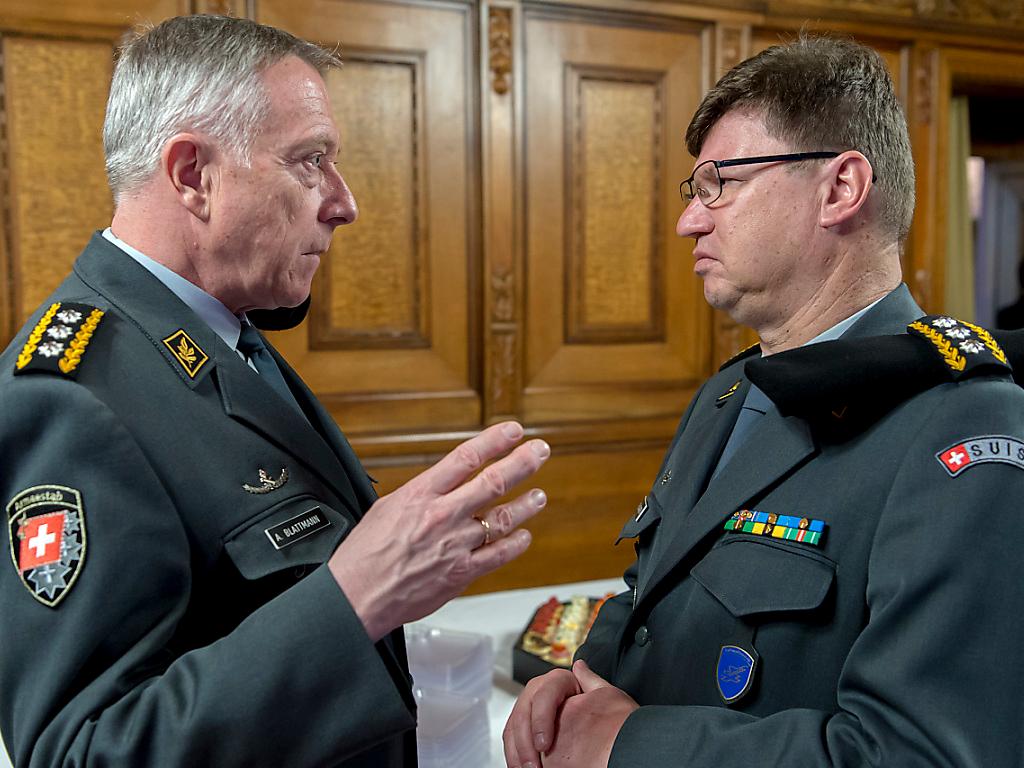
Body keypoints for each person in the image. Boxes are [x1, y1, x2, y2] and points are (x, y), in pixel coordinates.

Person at [0, 15, 551, 768]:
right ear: (193, 175)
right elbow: (81, 754)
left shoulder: (225, 330)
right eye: (310, 162)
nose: (344, 202)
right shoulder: (72, 399)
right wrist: (353, 599)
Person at [504, 34, 1024, 768]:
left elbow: (920, 754)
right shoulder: (729, 392)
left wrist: (630, 744)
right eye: (695, 191)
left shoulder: (965, 427)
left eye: (720, 183)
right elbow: (655, 589)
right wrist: (579, 679)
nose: (691, 220)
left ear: (839, 189)